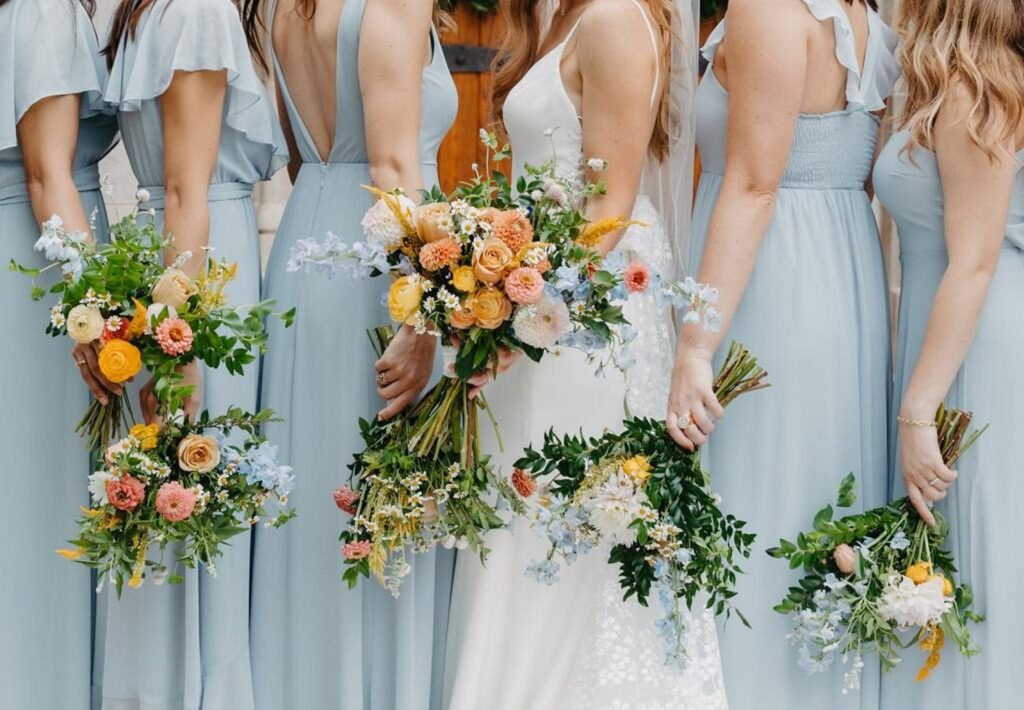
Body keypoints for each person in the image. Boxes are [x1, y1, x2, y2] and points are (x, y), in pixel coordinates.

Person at [443, 1, 728, 708]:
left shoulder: (612, 20)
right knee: (529, 517)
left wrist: (520, 320)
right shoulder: (567, 16)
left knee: (561, 520)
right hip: (545, 304)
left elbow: (609, 204)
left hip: (583, 319)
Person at [667, 0, 898, 707]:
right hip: (837, 265)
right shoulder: (855, 12)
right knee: (805, 500)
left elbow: (753, 182)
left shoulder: (769, 6)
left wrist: (696, 343)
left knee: (756, 500)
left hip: (771, 281)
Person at [247, 0, 457, 708]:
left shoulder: (285, 7)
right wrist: (423, 314)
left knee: (312, 494)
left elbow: (311, 150)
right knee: (381, 501)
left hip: (309, 245)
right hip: (378, 270)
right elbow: (394, 163)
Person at [91, 1, 287, 707]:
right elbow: (185, 188)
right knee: (197, 486)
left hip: (171, 252)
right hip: (202, 264)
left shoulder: (158, 10)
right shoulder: (200, 13)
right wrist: (182, 343)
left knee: (177, 491)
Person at [875, 0, 1024, 706]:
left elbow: (972, 264)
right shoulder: (948, 84)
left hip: (974, 351)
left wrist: (916, 409)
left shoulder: (974, 90)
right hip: (947, 340)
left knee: (971, 550)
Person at [0, 1, 117, 707]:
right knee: (40, 495)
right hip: (44, 265)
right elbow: (49, 175)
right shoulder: (44, 11)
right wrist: (97, 315)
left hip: (29, 251)